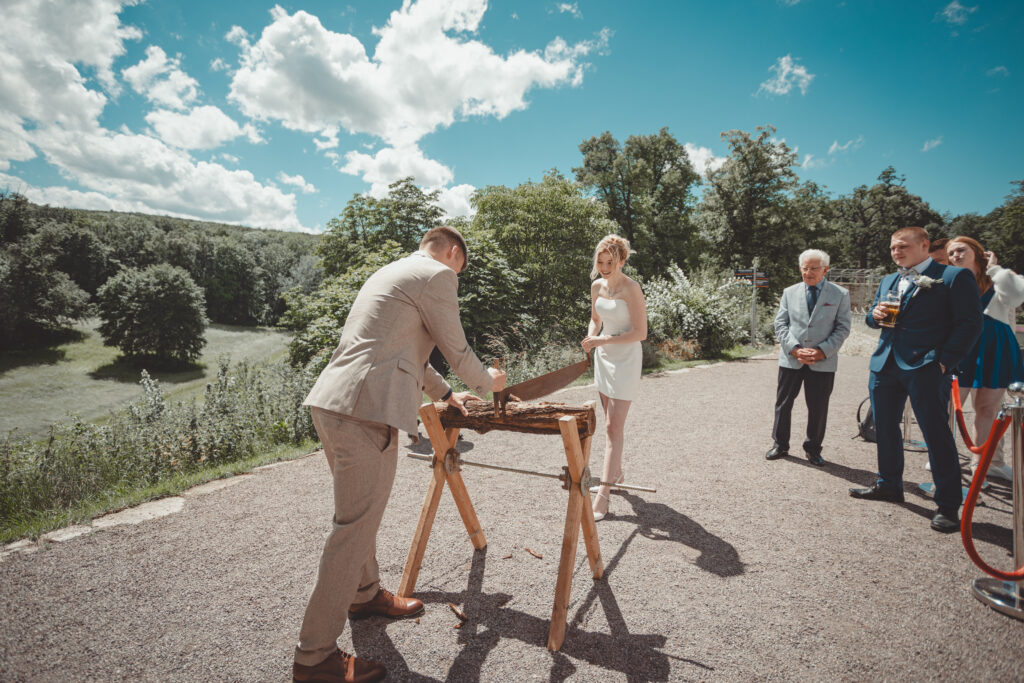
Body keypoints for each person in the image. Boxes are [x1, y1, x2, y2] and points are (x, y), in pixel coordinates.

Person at [294, 226, 506, 683]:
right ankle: (313, 659)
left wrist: (447, 393)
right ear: (453, 253)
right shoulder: (437, 276)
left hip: (336, 404)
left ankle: (366, 594)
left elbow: (413, 353)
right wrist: (491, 382)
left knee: (358, 515)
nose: (457, 276)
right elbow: (457, 348)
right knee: (351, 530)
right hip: (365, 411)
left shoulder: (392, 271)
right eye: (460, 268)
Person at [850, 227, 982, 533]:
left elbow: (970, 324)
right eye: (893, 248)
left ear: (924, 245)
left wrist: (943, 362)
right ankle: (889, 485)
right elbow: (872, 318)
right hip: (885, 364)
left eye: (903, 246)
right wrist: (875, 313)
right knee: (883, 428)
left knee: (935, 433)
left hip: (926, 367)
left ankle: (948, 505)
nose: (896, 252)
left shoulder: (952, 277)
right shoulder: (888, 280)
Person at [946, 236, 1024, 484]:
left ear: (978, 253)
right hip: (960, 346)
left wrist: (994, 268)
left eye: (961, 250)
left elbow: (1016, 295)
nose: (955, 255)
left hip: (994, 346)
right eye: (951, 253)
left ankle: (983, 465)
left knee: (988, 408)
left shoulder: (998, 278)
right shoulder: (948, 281)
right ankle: (943, 461)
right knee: (949, 407)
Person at [582, 234, 646, 521]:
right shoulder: (596, 285)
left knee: (611, 428)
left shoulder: (632, 289)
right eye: (600, 261)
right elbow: (596, 319)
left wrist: (603, 340)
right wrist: (591, 336)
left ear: (622, 260)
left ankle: (603, 497)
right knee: (610, 424)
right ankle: (616, 473)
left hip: (626, 359)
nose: (605, 267)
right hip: (604, 358)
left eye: (610, 262)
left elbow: (640, 333)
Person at [766, 249, 851, 466]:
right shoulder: (789, 292)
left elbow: (842, 328)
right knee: (783, 404)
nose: (808, 272)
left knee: (818, 407)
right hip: (792, 359)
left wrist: (822, 351)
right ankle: (780, 444)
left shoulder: (839, 294)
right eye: (805, 268)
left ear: (825, 269)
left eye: (814, 268)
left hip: (822, 361)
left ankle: (813, 449)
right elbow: (780, 324)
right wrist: (794, 349)